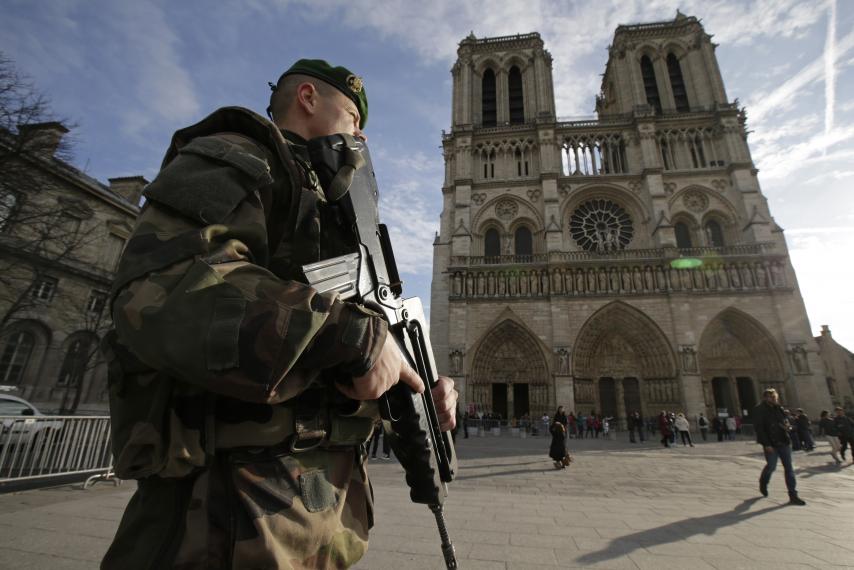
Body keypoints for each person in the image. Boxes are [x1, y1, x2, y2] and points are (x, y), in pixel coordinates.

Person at [100, 59, 458, 569]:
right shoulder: (236, 157)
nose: (361, 135)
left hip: (317, 517)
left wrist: (414, 387)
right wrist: (354, 337)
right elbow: (160, 289)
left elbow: (336, 366)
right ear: (308, 98)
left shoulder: (334, 209)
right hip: (221, 518)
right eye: (353, 118)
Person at [754, 388, 805, 505]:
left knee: (789, 469)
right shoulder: (759, 409)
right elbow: (759, 429)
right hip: (771, 443)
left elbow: (786, 422)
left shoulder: (779, 408)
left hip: (784, 441)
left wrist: (789, 427)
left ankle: (793, 495)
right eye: (771, 397)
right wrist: (766, 444)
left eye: (775, 397)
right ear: (765, 397)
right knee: (771, 466)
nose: (774, 399)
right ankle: (763, 481)